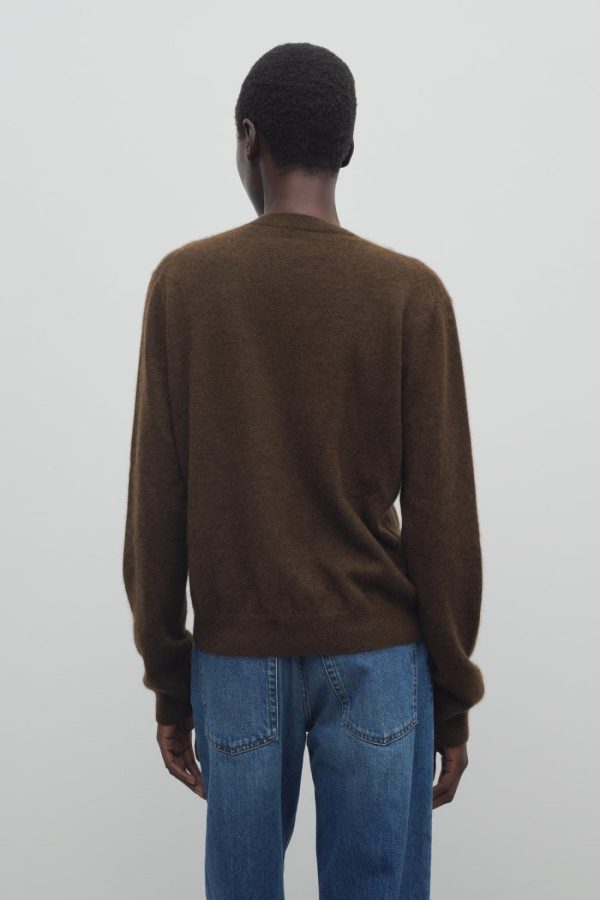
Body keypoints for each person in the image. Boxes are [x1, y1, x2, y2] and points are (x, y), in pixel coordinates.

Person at [123, 41, 485, 900]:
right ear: (347, 148)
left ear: (249, 137)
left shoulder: (184, 285)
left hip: (235, 659)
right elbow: (445, 518)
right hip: (379, 657)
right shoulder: (410, 294)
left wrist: (170, 680)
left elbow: (156, 506)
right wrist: (452, 691)